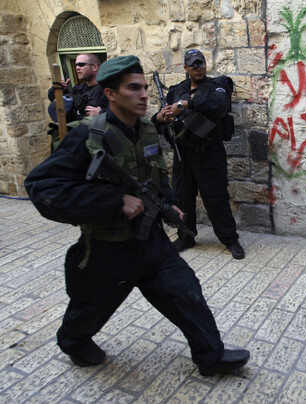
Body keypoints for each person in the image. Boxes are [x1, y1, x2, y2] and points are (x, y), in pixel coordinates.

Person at [25, 55, 249, 376]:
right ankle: (72, 341)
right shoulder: (87, 136)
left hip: (151, 242)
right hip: (108, 249)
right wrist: (114, 201)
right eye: (133, 88)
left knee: (186, 291)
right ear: (110, 94)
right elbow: (41, 186)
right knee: (89, 309)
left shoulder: (145, 130)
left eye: (144, 87)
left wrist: (169, 206)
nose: (144, 94)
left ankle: (210, 356)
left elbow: (155, 178)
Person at [153, 49, 245, 259]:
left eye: (201, 64)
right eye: (193, 65)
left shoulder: (217, 86)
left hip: (209, 154)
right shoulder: (176, 90)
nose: (198, 68)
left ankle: (230, 239)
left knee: (216, 199)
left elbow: (219, 107)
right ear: (185, 68)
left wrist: (184, 104)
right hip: (183, 154)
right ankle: (186, 235)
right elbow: (162, 120)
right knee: (182, 198)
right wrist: (162, 118)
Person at [48, 53, 108, 122]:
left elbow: (119, 114)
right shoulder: (78, 89)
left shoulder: (107, 89)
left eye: (81, 64)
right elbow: (55, 100)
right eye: (76, 65)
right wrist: (60, 89)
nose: (77, 68)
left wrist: (101, 113)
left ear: (94, 67)